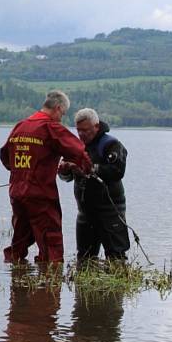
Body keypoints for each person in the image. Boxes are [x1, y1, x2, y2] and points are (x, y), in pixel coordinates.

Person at [0, 90, 91, 263]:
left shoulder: (21, 126)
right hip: (40, 194)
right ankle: (49, 282)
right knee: (51, 242)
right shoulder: (50, 127)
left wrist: (20, 171)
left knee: (20, 239)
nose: (61, 118)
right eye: (62, 114)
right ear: (57, 108)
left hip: (17, 193)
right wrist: (87, 169)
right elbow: (79, 150)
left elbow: (5, 156)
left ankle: (14, 276)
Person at [58, 108, 129, 261]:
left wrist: (89, 168)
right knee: (84, 259)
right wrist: (64, 171)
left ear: (96, 126)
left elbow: (117, 171)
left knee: (116, 258)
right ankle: (82, 285)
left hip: (110, 211)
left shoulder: (111, 144)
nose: (82, 134)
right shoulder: (76, 147)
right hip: (85, 213)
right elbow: (66, 177)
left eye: (86, 130)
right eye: (79, 130)